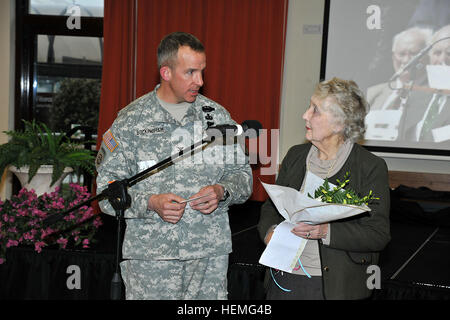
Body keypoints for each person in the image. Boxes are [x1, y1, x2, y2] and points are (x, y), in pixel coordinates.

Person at [96, 32, 253, 300]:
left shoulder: (218, 118)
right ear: (166, 72)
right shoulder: (131, 121)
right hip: (150, 260)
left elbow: (243, 177)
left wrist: (221, 191)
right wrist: (150, 202)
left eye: (202, 72)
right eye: (190, 72)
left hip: (207, 258)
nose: (200, 81)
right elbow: (105, 192)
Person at [257, 77, 391, 300]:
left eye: (315, 111)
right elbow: (270, 207)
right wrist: (269, 231)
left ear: (340, 124)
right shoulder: (295, 156)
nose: (305, 115)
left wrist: (326, 231)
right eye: (309, 107)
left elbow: (377, 234)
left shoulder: (369, 167)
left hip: (334, 285)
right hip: (284, 277)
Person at [402, 24, 450, 144]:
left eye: (449, 53)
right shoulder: (417, 93)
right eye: (437, 53)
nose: (442, 59)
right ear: (429, 57)